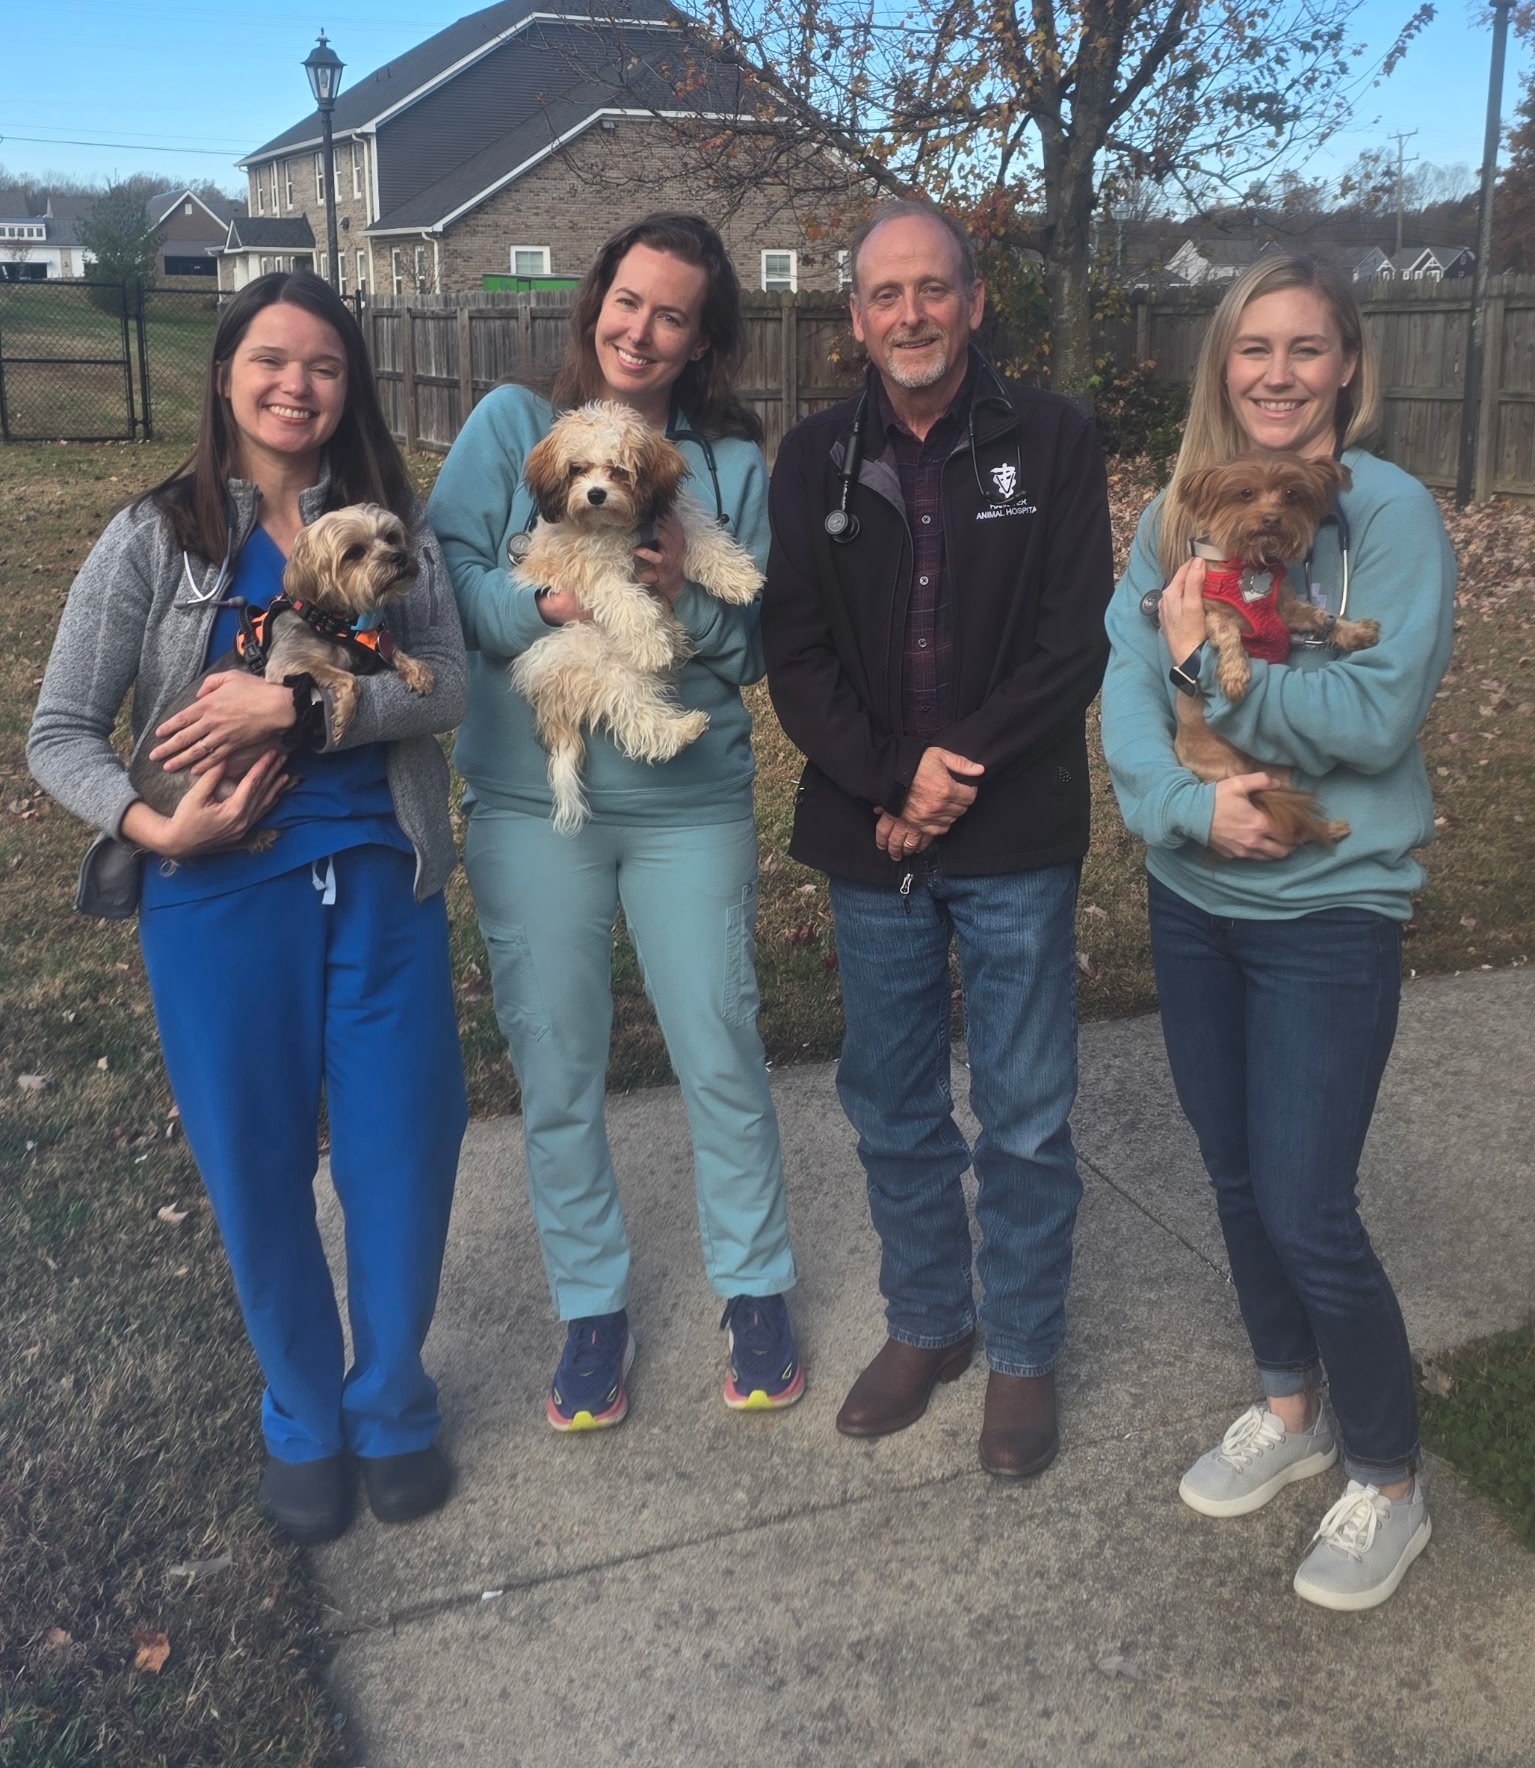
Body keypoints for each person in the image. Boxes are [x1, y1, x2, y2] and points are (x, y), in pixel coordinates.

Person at [28, 272, 469, 1547]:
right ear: (224, 374)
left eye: (323, 363)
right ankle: (302, 1414)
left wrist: (303, 706)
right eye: (269, 359)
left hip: (382, 880)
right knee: (255, 1163)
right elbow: (59, 730)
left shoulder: (397, 525)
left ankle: (388, 1404)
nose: (295, 384)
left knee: (403, 1151)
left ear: (352, 384)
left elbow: (442, 692)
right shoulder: (152, 538)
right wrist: (157, 823)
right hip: (216, 898)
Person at [1101, 253, 1455, 1611]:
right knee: (1235, 1177)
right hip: (1196, 899)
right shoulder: (1167, 512)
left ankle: (1386, 1478)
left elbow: (1370, 723)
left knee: (1308, 1204)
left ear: (1345, 367)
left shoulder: (1391, 517)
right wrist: (1183, 817)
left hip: (1328, 911)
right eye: (1253, 349)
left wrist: (1213, 680)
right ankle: (1285, 1406)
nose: (1276, 374)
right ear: (1221, 364)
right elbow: (1124, 686)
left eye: (1305, 349)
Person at [428, 212, 801, 1430]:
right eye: (627, 301)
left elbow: (748, 652)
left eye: (673, 314)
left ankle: (754, 1286)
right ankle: (591, 1307)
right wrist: (554, 595)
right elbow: (453, 591)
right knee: (556, 1066)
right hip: (536, 800)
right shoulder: (507, 428)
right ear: (596, 301)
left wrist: (675, 588)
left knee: (720, 1046)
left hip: (690, 804)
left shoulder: (727, 469)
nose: (641, 329)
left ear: (703, 341)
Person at [762, 199, 1112, 1477]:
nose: (908, 314)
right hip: (871, 834)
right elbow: (789, 647)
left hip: (1012, 827)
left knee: (1022, 1111)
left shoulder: (1054, 440)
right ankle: (929, 1323)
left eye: (932, 289)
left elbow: (1072, 638)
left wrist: (949, 771)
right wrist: (886, 777)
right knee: (894, 1101)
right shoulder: (811, 459)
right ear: (853, 317)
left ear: (973, 303)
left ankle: (1020, 1348)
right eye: (883, 294)